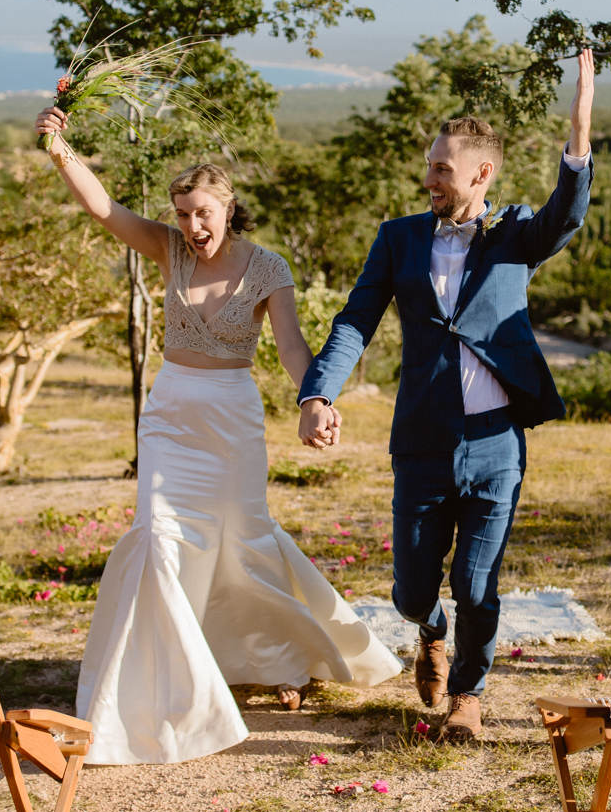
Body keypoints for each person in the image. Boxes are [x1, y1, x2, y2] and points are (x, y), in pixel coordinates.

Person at [32, 109, 402, 765]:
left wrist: (316, 400)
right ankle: (162, 682)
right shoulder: (167, 249)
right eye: (181, 214)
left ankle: (282, 659)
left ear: (229, 208)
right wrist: (57, 147)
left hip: (232, 416)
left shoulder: (268, 268)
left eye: (202, 212)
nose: (191, 227)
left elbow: (291, 347)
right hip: (171, 414)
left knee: (244, 539)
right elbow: (103, 208)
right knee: (162, 538)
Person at [296, 50, 597, 743]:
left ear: (480, 174)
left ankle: (468, 692)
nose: (428, 178)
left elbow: (567, 213)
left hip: (497, 444)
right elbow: (355, 320)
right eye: (430, 167)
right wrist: (319, 394)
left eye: (441, 168)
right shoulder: (397, 238)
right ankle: (426, 630)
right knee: (411, 587)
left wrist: (578, 130)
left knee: (480, 584)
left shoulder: (517, 233)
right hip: (422, 439)